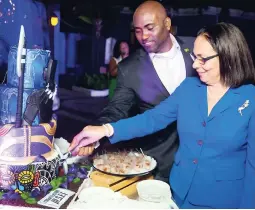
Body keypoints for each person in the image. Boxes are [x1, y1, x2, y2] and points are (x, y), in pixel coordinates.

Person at [69, 22, 255, 208]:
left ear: (228, 56)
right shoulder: (189, 88)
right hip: (178, 192)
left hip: (223, 200)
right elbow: (152, 119)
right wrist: (105, 129)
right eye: (194, 56)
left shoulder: (250, 99)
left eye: (203, 58)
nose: (195, 64)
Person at [70, 0, 196, 182]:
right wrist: (98, 132)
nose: (143, 36)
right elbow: (117, 109)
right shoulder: (128, 68)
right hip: (158, 166)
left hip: (200, 163)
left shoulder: (196, 50)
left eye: (149, 28)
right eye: (137, 30)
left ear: (167, 24)